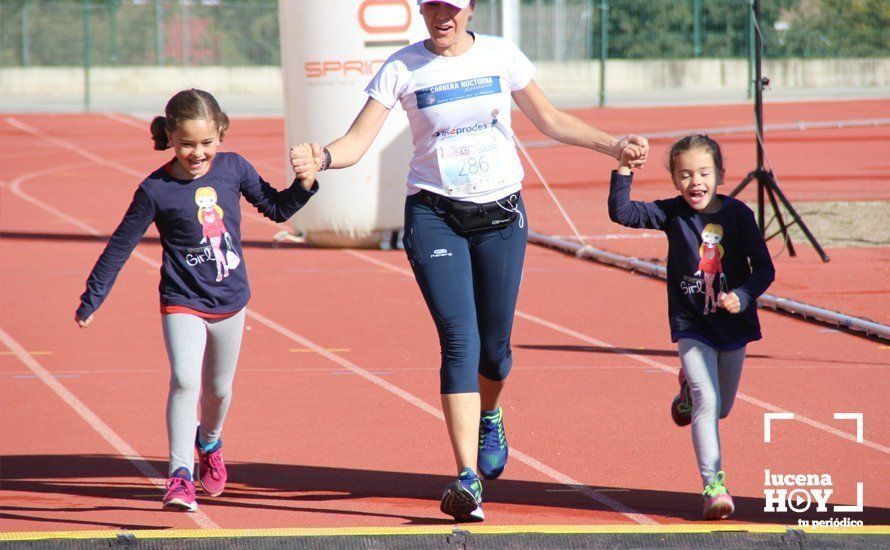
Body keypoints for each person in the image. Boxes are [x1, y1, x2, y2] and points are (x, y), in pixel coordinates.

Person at [291, 0, 648, 522]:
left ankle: (491, 412)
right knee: (460, 338)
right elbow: (356, 142)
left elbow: (549, 119)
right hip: (434, 215)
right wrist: (320, 157)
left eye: (453, 7)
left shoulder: (502, 56)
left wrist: (613, 144)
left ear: (471, 10)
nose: (443, 16)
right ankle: (465, 479)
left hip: (502, 214)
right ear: (422, 9)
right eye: (433, 5)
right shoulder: (402, 67)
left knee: (496, 350)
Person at [74, 89, 319, 511]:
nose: (197, 152)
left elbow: (277, 210)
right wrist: (92, 297)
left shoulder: (234, 169)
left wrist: (306, 183)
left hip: (230, 300)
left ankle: (209, 442)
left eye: (206, 143)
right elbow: (120, 245)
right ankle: (180, 475)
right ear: (170, 136)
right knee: (186, 381)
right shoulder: (155, 189)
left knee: (218, 391)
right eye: (187, 143)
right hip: (181, 299)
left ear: (220, 134)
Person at [608, 134, 775, 520]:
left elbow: (765, 269)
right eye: (684, 175)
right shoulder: (672, 214)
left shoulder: (738, 216)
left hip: (733, 325)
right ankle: (713, 486)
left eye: (703, 172)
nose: (694, 182)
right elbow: (623, 213)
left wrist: (744, 296)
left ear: (719, 174)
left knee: (723, 407)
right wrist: (624, 169)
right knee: (708, 400)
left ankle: (685, 387)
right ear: (674, 179)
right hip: (691, 324)